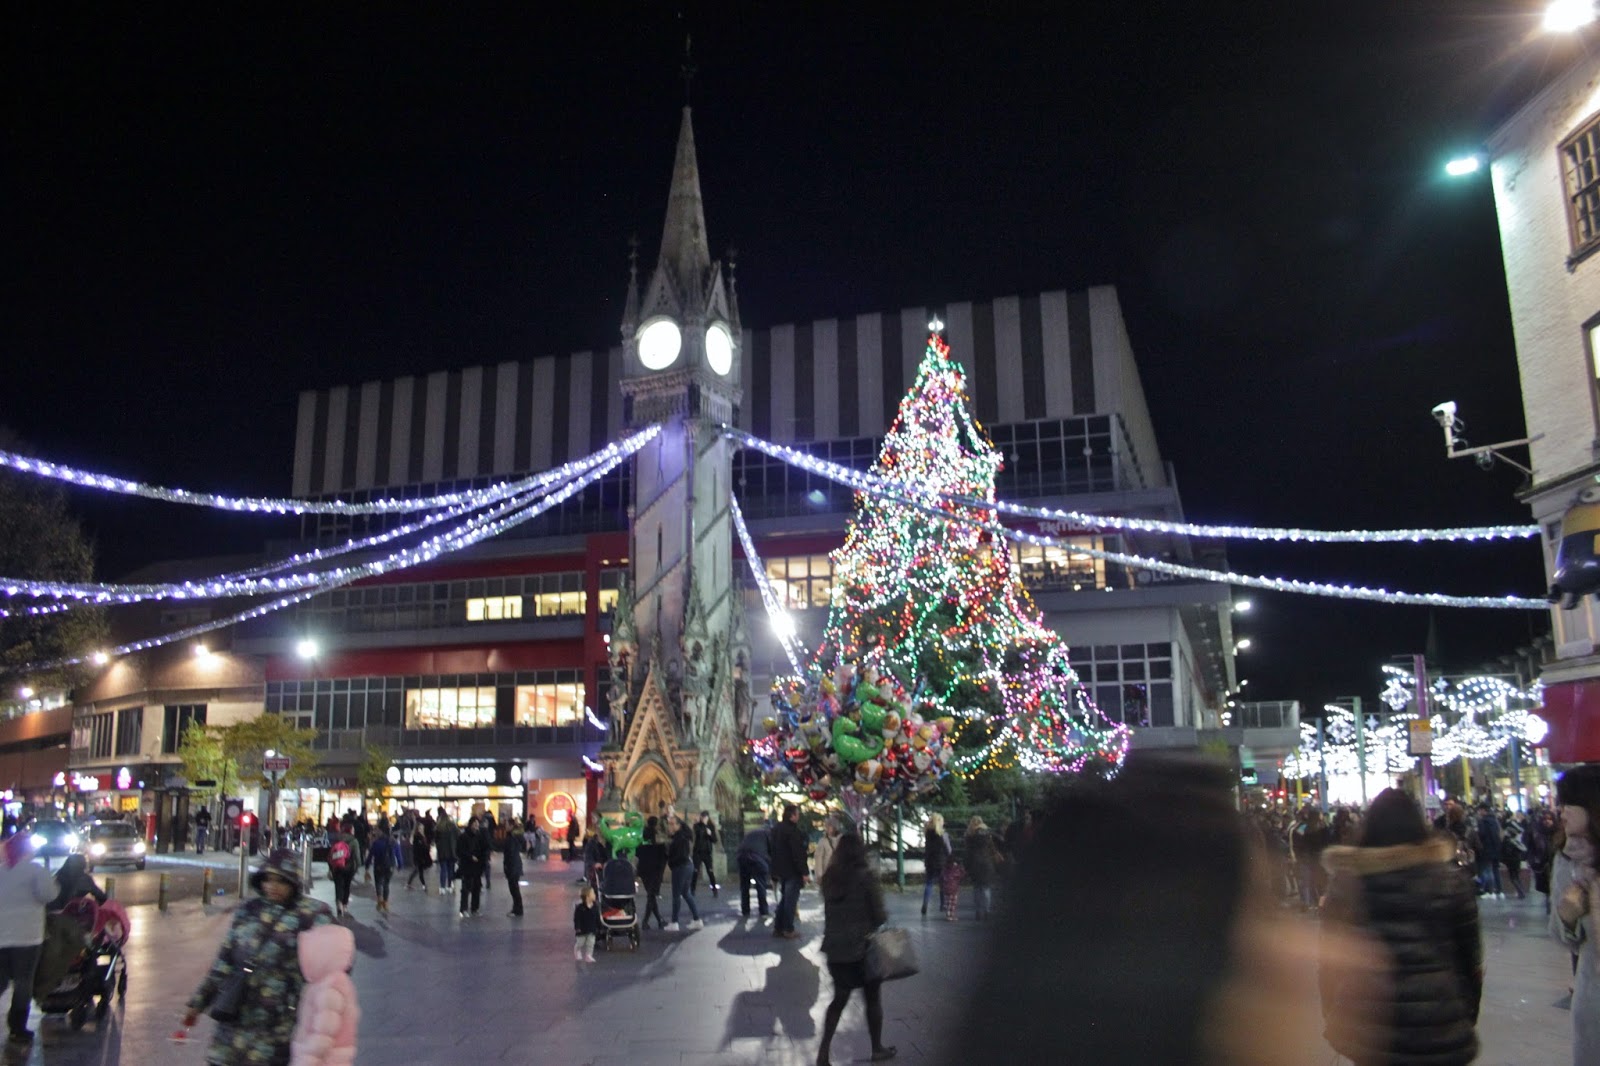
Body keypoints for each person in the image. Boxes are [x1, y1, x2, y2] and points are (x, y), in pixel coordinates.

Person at [1320, 788, 1482, 1066]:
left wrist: (1336, 1013)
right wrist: (1463, 1013)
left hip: (1370, 1028)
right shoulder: (1450, 881)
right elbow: (1470, 962)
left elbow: (1330, 963)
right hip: (1439, 1023)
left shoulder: (1347, 885)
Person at [183, 849, 333, 1064]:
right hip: (235, 1019)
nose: (272, 886)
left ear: (293, 882)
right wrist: (198, 1002)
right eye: (268, 880)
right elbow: (224, 961)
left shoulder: (312, 915)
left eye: (281, 881)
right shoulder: (249, 911)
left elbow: (335, 963)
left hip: (277, 1024)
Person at [816, 832, 895, 1065]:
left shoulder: (830, 878)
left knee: (839, 999)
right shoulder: (866, 877)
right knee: (872, 999)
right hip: (862, 949)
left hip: (835, 949)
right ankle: (877, 1048)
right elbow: (879, 916)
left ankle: (823, 1052)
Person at [1551, 764, 1600, 1065]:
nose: (1562, 811)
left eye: (1569, 803)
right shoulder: (1567, 859)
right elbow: (1561, 937)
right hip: (1594, 996)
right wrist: (1567, 917)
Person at [0, 834, 60, 1042]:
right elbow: (49, 895)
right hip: (27, 936)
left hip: (1, 937)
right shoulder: (35, 871)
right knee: (23, 981)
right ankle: (17, 1027)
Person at [772, 803, 808, 939]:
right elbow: (797, 853)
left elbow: (772, 850)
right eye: (797, 814)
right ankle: (788, 928)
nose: (798, 817)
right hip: (792, 871)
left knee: (785, 899)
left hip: (781, 870)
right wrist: (804, 872)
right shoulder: (793, 831)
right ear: (792, 816)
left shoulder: (776, 829)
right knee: (790, 901)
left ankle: (778, 927)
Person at [666, 815, 703, 931]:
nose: (670, 826)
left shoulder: (680, 838)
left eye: (672, 824)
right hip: (687, 866)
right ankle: (697, 919)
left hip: (680, 867)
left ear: (678, 825)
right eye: (669, 824)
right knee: (686, 893)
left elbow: (679, 855)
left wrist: (671, 862)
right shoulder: (683, 836)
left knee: (676, 895)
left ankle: (674, 922)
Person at [964, 816, 1001, 921]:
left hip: (974, 864)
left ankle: (978, 911)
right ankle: (987, 911)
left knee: (976, 888)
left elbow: (967, 853)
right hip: (986, 863)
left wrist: (966, 866)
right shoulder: (987, 834)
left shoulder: (969, 836)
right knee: (986, 888)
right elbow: (994, 847)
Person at [636, 817, 669, 930]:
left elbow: (638, 853)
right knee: (651, 896)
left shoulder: (643, 838)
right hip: (654, 871)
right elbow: (663, 859)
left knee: (651, 896)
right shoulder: (659, 842)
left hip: (644, 870)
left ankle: (659, 920)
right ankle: (645, 921)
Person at [737, 822, 773, 918]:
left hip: (742, 856)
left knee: (744, 885)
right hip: (756, 859)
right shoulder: (768, 834)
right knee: (761, 885)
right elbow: (771, 851)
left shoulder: (753, 833)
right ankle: (763, 911)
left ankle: (745, 910)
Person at [325, 820, 358, 921]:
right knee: (347, 887)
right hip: (349, 868)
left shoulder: (337, 839)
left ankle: (338, 904)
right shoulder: (354, 841)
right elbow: (357, 858)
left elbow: (331, 855)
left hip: (337, 868)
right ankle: (344, 906)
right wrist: (356, 868)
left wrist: (330, 868)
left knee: (338, 887)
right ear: (351, 830)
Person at [456, 815, 488, 918]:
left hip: (477, 866)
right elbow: (460, 851)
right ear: (470, 825)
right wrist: (470, 857)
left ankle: (475, 908)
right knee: (466, 888)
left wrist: (483, 859)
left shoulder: (479, 836)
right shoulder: (463, 837)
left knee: (477, 888)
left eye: (477, 825)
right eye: (474, 825)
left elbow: (484, 848)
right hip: (467, 866)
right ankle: (463, 908)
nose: (476, 827)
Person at [921, 813, 949, 919]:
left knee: (929, 883)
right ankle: (943, 904)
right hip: (941, 862)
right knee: (943, 884)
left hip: (930, 862)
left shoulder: (927, 833)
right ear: (939, 821)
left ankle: (925, 904)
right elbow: (948, 849)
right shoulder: (943, 834)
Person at [1474, 803, 1504, 898]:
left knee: (1487, 870)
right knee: (1495, 869)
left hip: (1486, 848)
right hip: (1496, 848)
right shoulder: (1495, 820)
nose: (1478, 812)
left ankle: (1489, 891)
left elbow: (1482, 835)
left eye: (1479, 810)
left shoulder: (1482, 821)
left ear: (1483, 810)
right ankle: (1499, 890)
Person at [1501, 810, 1529, 900]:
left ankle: (1521, 892)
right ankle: (1521, 892)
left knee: (1513, 877)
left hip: (1511, 860)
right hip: (1517, 859)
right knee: (1516, 876)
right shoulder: (1516, 842)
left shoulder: (1508, 842)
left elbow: (1506, 851)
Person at [692, 810, 720, 896]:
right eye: (702, 817)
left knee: (710, 871)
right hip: (698, 851)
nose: (704, 819)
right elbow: (698, 834)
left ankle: (714, 889)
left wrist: (710, 834)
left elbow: (714, 840)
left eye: (705, 818)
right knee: (695, 871)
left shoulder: (711, 827)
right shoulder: (697, 826)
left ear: (708, 818)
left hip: (707, 852)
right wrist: (703, 827)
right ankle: (692, 889)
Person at [369, 823, 395, 915]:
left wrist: (367, 865)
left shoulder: (376, 843)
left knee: (378, 883)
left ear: (381, 831)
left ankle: (380, 898)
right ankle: (386, 902)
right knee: (386, 884)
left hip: (378, 866)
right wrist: (397, 864)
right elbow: (395, 854)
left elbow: (370, 855)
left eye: (377, 830)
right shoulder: (391, 841)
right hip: (389, 866)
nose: (376, 832)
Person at [503, 817, 526, 918]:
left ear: (511, 826)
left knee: (514, 888)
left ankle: (518, 909)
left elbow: (510, 853)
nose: (505, 827)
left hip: (513, 866)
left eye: (507, 825)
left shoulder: (512, 837)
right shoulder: (515, 836)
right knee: (514, 888)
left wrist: (508, 867)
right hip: (515, 865)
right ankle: (517, 908)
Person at [573, 884, 600, 963]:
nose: (595, 895)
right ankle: (577, 950)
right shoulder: (580, 908)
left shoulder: (595, 906)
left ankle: (589, 955)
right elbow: (576, 919)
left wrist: (599, 926)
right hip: (582, 929)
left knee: (591, 943)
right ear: (587, 897)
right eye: (593, 894)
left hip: (592, 928)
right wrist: (577, 927)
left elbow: (597, 917)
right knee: (580, 942)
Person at [434, 809, 458, 896]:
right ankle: (449, 886)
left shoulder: (438, 827)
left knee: (443, 869)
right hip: (452, 851)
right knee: (451, 869)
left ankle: (442, 887)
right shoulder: (453, 826)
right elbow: (457, 837)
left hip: (442, 852)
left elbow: (436, 840)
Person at [813, 816, 841, 885]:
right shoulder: (822, 841)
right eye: (826, 826)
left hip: (840, 873)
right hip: (827, 874)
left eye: (829, 826)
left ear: (835, 827)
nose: (827, 828)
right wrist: (819, 875)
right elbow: (818, 859)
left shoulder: (842, 840)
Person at [406, 822, 432, 891]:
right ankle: (423, 885)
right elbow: (418, 848)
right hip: (419, 857)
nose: (422, 829)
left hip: (420, 857)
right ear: (418, 829)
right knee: (419, 871)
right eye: (420, 828)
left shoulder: (421, 836)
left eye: (422, 828)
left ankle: (409, 883)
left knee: (417, 871)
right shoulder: (418, 837)